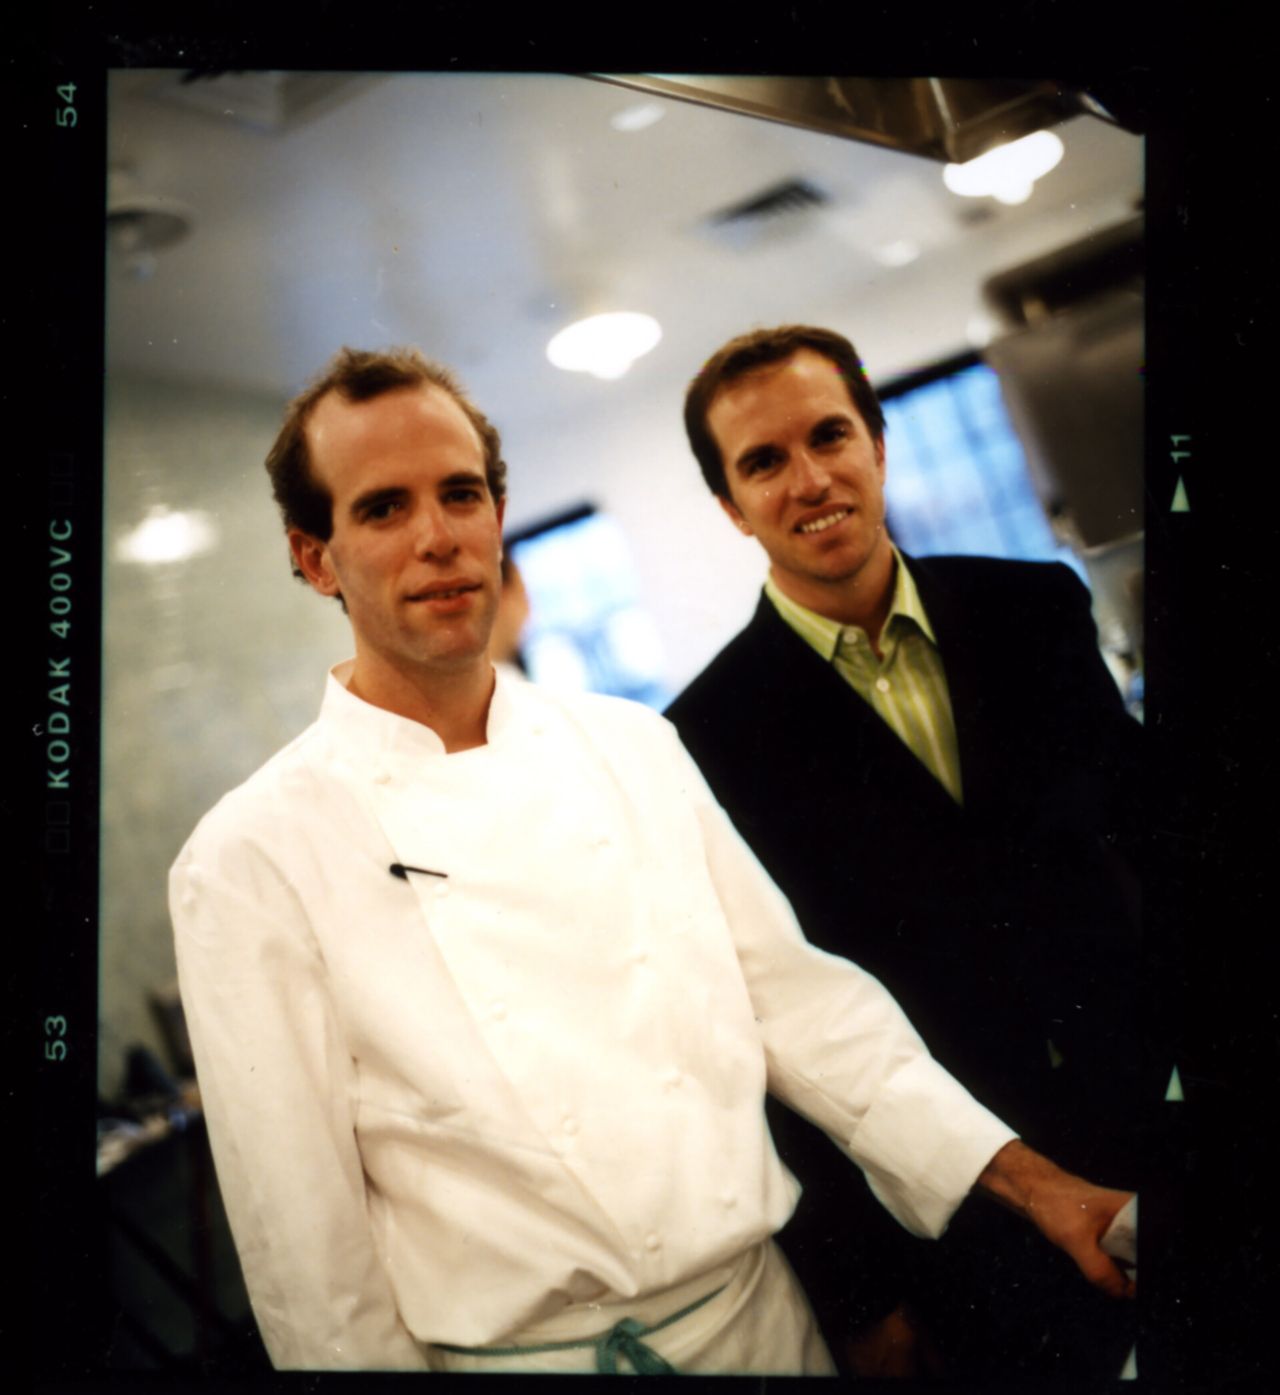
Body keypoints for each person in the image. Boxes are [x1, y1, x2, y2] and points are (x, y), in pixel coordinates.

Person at [169, 345, 1135, 1374]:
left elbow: (803, 1013)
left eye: (460, 493)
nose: (438, 537)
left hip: (765, 1327)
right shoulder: (250, 858)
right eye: (381, 509)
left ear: (498, 515)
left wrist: (1035, 1186)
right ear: (315, 557)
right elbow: (310, 1265)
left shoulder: (633, 747)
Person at [665, 325, 1143, 1378]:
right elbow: (764, 1037)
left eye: (829, 436)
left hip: (1146, 1118)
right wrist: (859, 1296)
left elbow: (1147, 850)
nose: (809, 480)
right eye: (763, 461)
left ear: (876, 445)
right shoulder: (704, 740)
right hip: (956, 1224)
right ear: (730, 506)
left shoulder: (1034, 610)